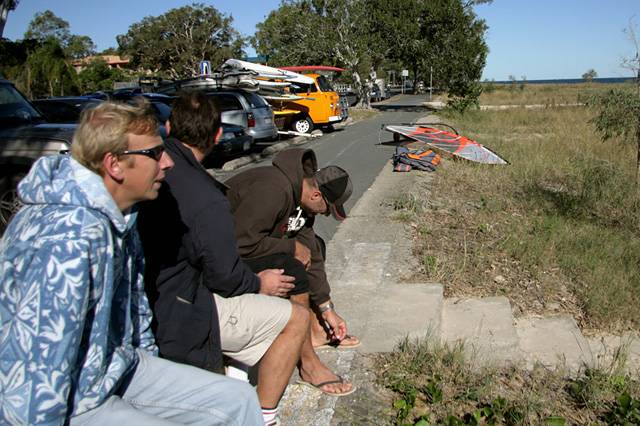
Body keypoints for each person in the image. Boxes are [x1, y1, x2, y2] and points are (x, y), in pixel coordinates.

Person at [0, 101, 262, 425]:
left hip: (116, 369)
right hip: (71, 401)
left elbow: (135, 316)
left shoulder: (121, 216)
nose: (168, 162)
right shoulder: (66, 239)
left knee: (238, 400)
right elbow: (34, 383)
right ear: (115, 165)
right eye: (155, 154)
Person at [137, 92, 330, 426]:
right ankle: (263, 414)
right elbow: (226, 276)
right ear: (217, 135)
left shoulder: (153, 171)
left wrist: (325, 305)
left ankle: (239, 373)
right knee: (294, 316)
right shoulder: (207, 197)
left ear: (168, 127)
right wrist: (259, 283)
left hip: (158, 294)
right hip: (182, 308)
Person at [225, 149, 360, 358]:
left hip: (244, 247)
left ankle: (315, 329)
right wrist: (292, 247)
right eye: (326, 209)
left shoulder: (302, 203)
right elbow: (242, 243)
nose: (324, 214)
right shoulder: (273, 190)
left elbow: (312, 253)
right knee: (293, 266)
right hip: (218, 256)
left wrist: (326, 308)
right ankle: (299, 345)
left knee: (315, 246)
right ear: (316, 195)